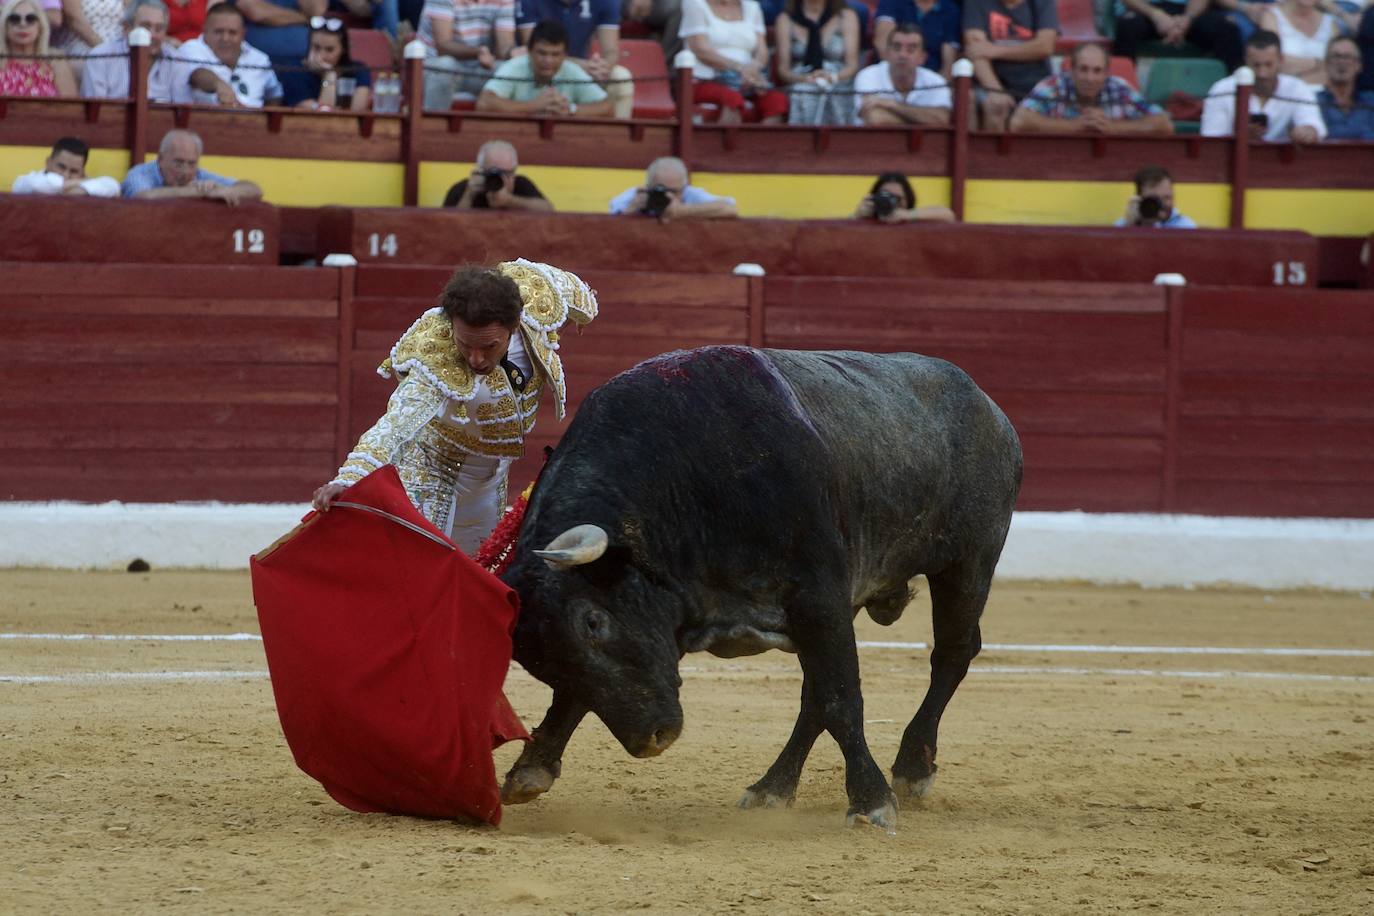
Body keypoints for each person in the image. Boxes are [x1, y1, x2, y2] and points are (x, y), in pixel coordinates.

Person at [311, 262, 599, 555]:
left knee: (479, 571)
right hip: (432, 471)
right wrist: (348, 478)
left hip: (493, 478)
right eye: (465, 344)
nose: (475, 359)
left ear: (514, 326)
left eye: (488, 346)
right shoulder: (435, 356)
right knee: (421, 570)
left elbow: (578, 294)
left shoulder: (537, 297)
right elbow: (393, 425)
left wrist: (583, 314)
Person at [1009, 42, 1174, 134]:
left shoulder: (1119, 88)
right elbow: (1018, 122)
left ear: (1106, 73)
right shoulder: (1053, 86)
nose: (1090, 78)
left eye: (1097, 71)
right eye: (1083, 69)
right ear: (1071, 70)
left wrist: (1114, 128)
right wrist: (1073, 126)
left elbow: (1163, 124)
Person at [1202, 29, 1328, 141]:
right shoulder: (1222, 89)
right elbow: (1212, 142)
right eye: (1256, 65)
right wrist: (1239, 137)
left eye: (1268, 65)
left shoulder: (1297, 88)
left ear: (1281, 60)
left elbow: (1313, 126)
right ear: (1246, 61)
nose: (1262, 73)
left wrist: (1307, 132)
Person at [516, 0, 634, 118]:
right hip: (541, 68)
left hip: (582, 71)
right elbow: (535, 50)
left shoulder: (606, 2)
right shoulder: (529, 1)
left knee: (621, 77)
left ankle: (621, 133)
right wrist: (584, 65)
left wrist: (603, 66)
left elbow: (611, 50)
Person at [679, 0, 788, 123]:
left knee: (776, 101)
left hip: (746, 80)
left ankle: (763, 142)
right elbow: (700, 49)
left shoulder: (752, 7)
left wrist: (754, 67)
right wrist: (739, 68)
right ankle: (725, 142)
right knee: (732, 99)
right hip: (705, 80)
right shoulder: (694, 3)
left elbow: (762, 51)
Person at [476, 18, 614, 116]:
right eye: (542, 53)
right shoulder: (515, 66)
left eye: (555, 54)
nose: (548, 60)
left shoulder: (571, 70)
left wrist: (570, 109)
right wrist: (534, 106)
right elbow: (484, 103)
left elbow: (608, 107)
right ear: (529, 51)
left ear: (565, 55)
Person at [961, 0, 1058, 132]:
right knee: (995, 106)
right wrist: (995, 90)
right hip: (993, 81)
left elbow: (1045, 46)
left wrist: (995, 50)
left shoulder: (1042, 2)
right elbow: (976, 51)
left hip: (1035, 83)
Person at [173, 2, 284, 107]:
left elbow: (274, 95)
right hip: (201, 124)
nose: (225, 38)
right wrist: (218, 84)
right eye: (219, 32)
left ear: (243, 33)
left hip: (251, 123)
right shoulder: (190, 49)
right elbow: (197, 74)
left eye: (232, 32)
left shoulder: (259, 59)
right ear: (205, 30)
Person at [774, 0, 861, 126]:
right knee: (805, 91)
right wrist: (806, 79)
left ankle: (838, 141)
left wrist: (832, 77)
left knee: (832, 92)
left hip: (838, 78)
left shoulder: (846, 16)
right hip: (800, 79)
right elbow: (783, 69)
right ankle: (804, 140)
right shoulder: (785, 19)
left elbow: (852, 65)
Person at [122, 128, 266, 203]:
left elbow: (254, 189)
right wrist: (201, 193)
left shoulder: (199, 174)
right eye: (178, 163)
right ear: (160, 158)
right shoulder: (140, 173)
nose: (185, 171)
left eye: (191, 163)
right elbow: (142, 197)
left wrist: (223, 189)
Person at [418, 0, 514, 110]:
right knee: (445, 65)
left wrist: (512, 53)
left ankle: (511, 127)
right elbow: (443, 47)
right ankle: (431, 125)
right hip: (434, 68)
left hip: (478, 69)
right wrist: (477, 52)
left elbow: (504, 46)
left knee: (512, 71)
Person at [853, 23, 951, 126]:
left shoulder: (936, 81)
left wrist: (893, 105)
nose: (902, 55)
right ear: (887, 53)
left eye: (911, 50)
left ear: (922, 57)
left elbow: (942, 119)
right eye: (896, 47)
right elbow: (875, 118)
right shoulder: (868, 76)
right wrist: (922, 120)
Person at [82, 0, 178, 102]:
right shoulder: (100, 58)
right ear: (127, 28)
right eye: (145, 27)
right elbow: (95, 112)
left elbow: (183, 110)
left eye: (159, 29)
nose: (152, 35)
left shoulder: (175, 61)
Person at [1112, 0, 1244, 72]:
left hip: (1188, 11)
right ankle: (1125, 90)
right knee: (1126, 26)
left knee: (1227, 29)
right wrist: (1156, 15)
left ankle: (1227, 94)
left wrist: (1187, 19)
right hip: (1146, 10)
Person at [281, 15, 373, 109]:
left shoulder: (358, 71)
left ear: (343, 49)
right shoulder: (294, 71)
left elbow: (357, 112)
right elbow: (323, 117)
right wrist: (329, 76)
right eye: (316, 47)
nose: (322, 55)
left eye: (329, 50)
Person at [608, 154, 737, 218]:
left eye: (674, 191)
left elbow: (731, 208)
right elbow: (610, 220)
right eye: (661, 190)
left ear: (684, 187)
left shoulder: (690, 194)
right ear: (648, 186)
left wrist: (682, 211)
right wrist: (631, 209)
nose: (668, 195)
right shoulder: (637, 195)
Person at [442, 138, 554, 209]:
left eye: (508, 173)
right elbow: (449, 227)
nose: (501, 179)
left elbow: (548, 211)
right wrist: (469, 195)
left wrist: (510, 201)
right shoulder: (464, 189)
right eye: (494, 172)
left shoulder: (521, 184)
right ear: (480, 171)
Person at [1258, 0, 1344, 84]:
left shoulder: (1331, 24)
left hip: (1323, 92)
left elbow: (1336, 67)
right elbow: (1273, 62)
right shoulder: (1271, 17)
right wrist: (1318, 63)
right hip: (1284, 91)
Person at [1, 0, 76, 95]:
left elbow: (71, 106)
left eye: (31, 19)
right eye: (14, 19)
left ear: (40, 27)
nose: (23, 24)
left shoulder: (55, 60)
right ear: (4, 27)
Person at [872, 0, 961, 77]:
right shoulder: (892, 2)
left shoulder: (950, 9)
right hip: (889, 75)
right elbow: (882, 43)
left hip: (931, 79)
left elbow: (948, 63)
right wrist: (895, 78)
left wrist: (939, 87)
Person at [10, 135, 120, 196]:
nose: (66, 175)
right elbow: (35, 185)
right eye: (61, 167)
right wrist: (79, 182)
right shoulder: (26, 181)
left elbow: (113, 185)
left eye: (74, 171)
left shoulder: (89, 184)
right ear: (48, 162)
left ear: (82, 172)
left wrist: (77, 189)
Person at [239, 0, 325, 71]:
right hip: (257, 64)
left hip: (306, 62)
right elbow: (255, 12)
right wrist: (305, 19)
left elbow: (318, 13)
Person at [1318, 34, 1374, 137]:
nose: (1341, 62)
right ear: (1325, 63)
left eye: (1348, 57)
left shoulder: (1371, 101)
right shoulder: (1313, 102)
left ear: (1359, 65)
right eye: (1336, 56)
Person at [851, 171, 956, 222]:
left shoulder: (912, 217)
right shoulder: (868, 217)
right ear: (875, 196)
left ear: (908, 201)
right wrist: (856, 215)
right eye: (886, 195)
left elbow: (948, 215)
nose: (891, 200)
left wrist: (908, 215)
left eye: (898, 198)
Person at [1115, 165, 1198, 227]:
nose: (1162, 204)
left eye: (1167, 198)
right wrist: (1129, 226)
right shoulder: (1125, 225)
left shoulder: (1184, 226)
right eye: (1155, 199)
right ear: (1140, 200)